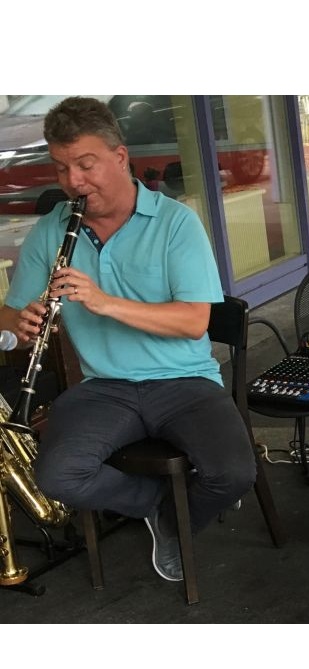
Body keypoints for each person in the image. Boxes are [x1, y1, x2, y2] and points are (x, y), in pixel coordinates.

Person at [0, 96, 256, 583]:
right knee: (57, 476)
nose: (74, 181)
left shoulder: (176, 223)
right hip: (105, 387)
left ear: (120, 158)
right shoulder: (52, 230)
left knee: (233, 474)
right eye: (62, 168)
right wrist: (20, 321)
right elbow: (8, 315)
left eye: (86, 164)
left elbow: (194, 322)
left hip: (185, 381)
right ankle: (163, 510)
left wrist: (103, 301)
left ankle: (173, 513)